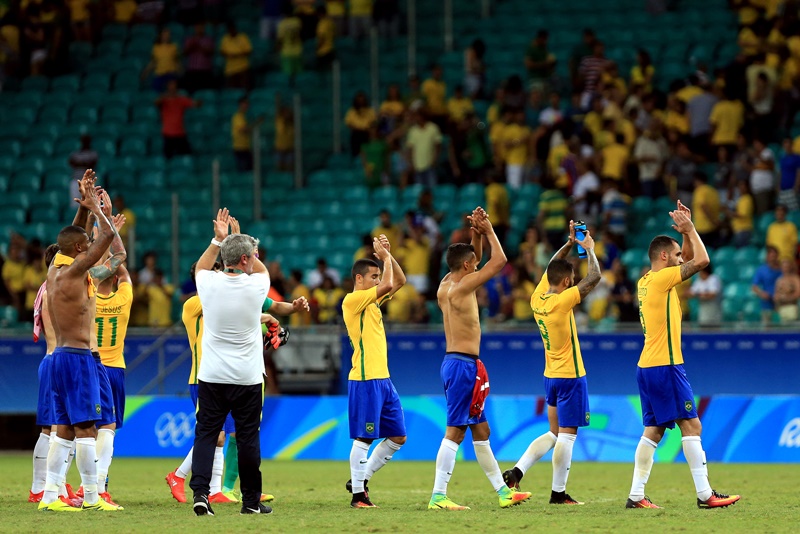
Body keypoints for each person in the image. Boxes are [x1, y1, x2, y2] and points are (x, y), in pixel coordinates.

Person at [626, 200, 740, 510]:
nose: (681, 259)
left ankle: (636, 495)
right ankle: (705, 495)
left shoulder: (646, 281)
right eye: (676, 255)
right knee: (692, 426)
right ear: (664, 256)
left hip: (646, 366)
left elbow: (689, 256)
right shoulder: (664, 280)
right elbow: (702, 261)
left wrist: (686, 235)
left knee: (654, 429)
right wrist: (690, 229)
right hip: (666, 364)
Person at [428, 207, 532, 510]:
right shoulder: (462, 286)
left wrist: (475, 231)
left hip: (461, 363)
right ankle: (438, 496)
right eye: (474, 263)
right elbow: (499, 261)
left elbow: (477, 257)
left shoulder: (447, 283)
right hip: (462, 365)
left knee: (481, 430)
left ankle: (503, 492)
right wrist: (488, 229)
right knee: (456, 431)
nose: (478, 266)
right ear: (466, 266)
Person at [39, 171, 124, 512]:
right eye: (85, 245)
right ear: (78, 250)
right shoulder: (77, 271)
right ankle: (92, 497)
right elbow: (107, 237)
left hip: (59, 356)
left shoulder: (56, 269)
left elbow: (74, 237)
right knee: (87, 427)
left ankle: (50, 496)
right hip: (77, 358)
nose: (90, 246)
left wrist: (85, 209)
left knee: (63, 428)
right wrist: (101, 210)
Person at [503, 221, 601, 505]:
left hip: (550, 375)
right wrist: (590, 250)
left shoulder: (537, 299)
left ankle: (517, 471)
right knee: (568, 436)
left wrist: (570, 244)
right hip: (571, 375)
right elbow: (594, 277)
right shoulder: (563, 301)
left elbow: (551, 267)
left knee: (554, 433)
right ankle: (558, 493)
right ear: (568, 282)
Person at [189, 209, 272, 516]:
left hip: (211, 375)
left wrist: (221, 240)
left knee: (206, 435)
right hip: (247, 378)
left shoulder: (207, 283)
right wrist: (242, 241)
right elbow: (259, 269)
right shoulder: (256, 286)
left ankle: (200, 493)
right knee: (248, 439)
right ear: (247, 259)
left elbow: (201, 265)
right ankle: (250, 502)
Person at [341, 234, 407, 507]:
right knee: (365, 437)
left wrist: (388, 256)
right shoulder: (352, 301)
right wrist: (384, 258)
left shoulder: (373, 302)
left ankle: (360, 478)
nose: (379, 281)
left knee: (398, 436)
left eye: (379, 276)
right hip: (366, 379)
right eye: (374, 277)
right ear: (359, 279)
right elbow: (391, 282)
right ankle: (358, 496)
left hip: (383, 379)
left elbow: (399, 281)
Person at [93, 263, 133, 502]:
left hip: (91, 366)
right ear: (116, 278)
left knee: (84, 427)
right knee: (109, 428)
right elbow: (125, 273)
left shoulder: (87, 299)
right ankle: (101, 482)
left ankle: (77, 484)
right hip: (115, 369)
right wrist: (114, 239)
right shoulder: (124, 299)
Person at [29, 244, 63, 503]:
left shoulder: (45, 288)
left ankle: (42, 486)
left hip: (50, 359)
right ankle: (48, 488)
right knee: (59, 428)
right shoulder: (55, 289)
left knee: (50, 428)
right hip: (57, 359)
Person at [156, 79, 201, 159]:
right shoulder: (164, 100)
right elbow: (156, 103)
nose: (172, 88)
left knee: (187, 156)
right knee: (167, 158)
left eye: (174, 86)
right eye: (170, 86)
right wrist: (165, 97)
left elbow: (196, 104)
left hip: (180, 133)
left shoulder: (181, 99)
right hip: (168, 134)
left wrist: (200, 100)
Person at [752, 246, 782, 324]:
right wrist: (762, 294)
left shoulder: (782, 269)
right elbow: (754, 287)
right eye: (771, 256)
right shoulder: (761, 270)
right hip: (766, 304)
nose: (773, 258)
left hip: (781, 303)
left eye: (774, 256)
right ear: (767, 257)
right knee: (767, 328)